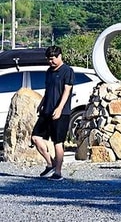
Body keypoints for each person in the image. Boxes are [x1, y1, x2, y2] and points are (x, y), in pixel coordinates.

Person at [31, 45, 74, 181]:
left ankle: (58, 172)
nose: (51, 61)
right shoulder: (49, 71)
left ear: (59, 56)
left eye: (53, 59)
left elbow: (67, 91)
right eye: (49, 59)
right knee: (35, 138)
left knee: (58, 142)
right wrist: (42, 103)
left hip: (61, 112)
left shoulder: (68, 71)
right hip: (47, 111)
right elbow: (48, 89)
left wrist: (60, 108)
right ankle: (51, 164)